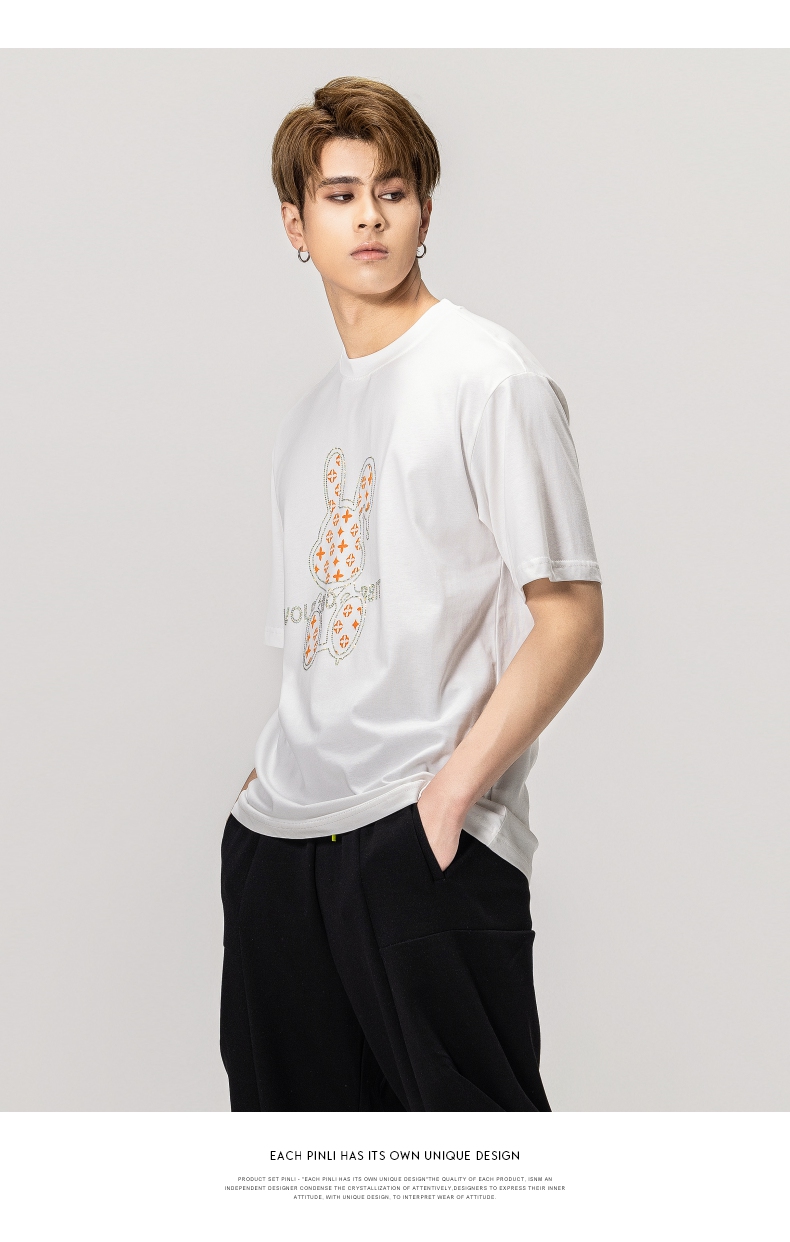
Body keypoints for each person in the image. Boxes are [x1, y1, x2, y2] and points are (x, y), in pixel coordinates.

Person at [220, 77, 603, 1112]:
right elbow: (316, 643)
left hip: (415, 833)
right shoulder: (306, 419)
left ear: (425, 210)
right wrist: (255, 812)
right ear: (296, 225)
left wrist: (449, 799)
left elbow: (570, 619)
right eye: (340, 196)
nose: (370, 218)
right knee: (292, 1170)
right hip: (280, 847)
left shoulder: (489, 377)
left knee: (475, 1165)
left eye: (392, 192)